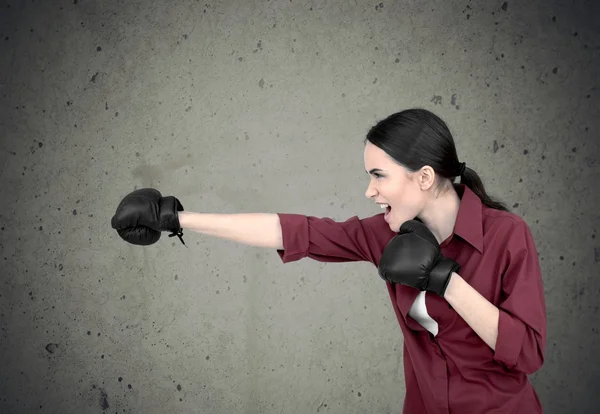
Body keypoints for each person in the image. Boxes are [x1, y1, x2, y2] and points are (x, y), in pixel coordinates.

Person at [111, 108, 547, 413]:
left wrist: (447, 282)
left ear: (425, 177)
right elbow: (295, 231)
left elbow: (527, 353)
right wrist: (176, 217)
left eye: (379, 175)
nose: (370, 191)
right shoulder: (387, 234)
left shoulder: (508, 235)